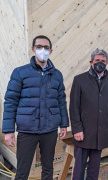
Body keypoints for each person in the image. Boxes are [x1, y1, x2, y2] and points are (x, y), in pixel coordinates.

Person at [2, 35, 69, 179]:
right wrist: (8, 130)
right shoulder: (20, 72)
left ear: (51, 51)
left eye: (46, 47)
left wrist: (64, 124)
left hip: (50, 129)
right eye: (39, 47)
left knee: (47, 168)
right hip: (27, 130)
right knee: (22, 170)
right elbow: (10, 101)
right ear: (33, 49)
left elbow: (61, 101)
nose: (42, 50)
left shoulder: (57, 75)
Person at [69, 48, 108, 180]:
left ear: (107, 63)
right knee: (79, 168)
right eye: (97, 60)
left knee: (94, 168)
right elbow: (73, 107)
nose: (100, 63)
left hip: (101, 132)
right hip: (83, 133)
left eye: (103, 61)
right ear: (91, 62)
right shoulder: (79, 80)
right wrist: (77, 129)